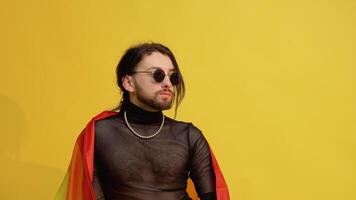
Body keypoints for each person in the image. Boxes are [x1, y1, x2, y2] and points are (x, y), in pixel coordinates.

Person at [55, 43, 229, 200]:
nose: (168, 83)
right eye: (157, 75)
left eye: (173, 77)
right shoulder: (99, 134)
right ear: (128, 82)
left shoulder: (189, 136)